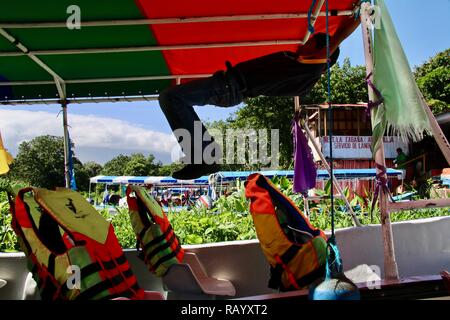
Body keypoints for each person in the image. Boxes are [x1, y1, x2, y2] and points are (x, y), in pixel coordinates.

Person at [158, 18, 360, 180]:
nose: (303, 44)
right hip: (230, 86)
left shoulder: (310, 69)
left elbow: (334, 42)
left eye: (309, 43)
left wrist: (357, 17)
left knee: (170, 97)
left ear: (321, 53)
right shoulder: (303, 69)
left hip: (230, 86)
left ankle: (205, 157)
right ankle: (204, 155)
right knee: (173, 97)